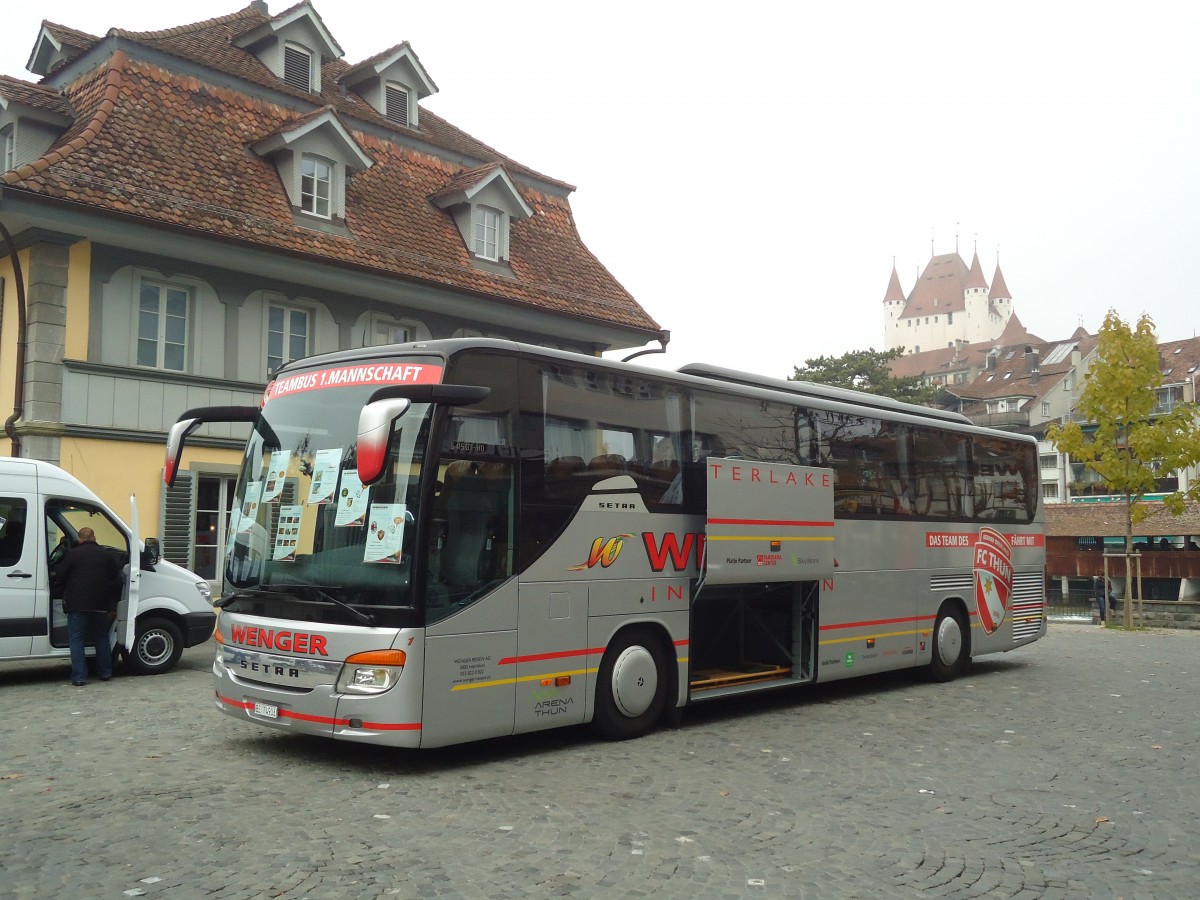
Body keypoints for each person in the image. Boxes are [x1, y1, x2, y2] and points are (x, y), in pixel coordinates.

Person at [56, 527, 122, 686]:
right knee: (101, 637)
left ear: (80, 540)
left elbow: (60, 576)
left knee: (76, 639)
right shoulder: (107, 555)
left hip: (77, 603)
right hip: (100, 603)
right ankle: (105, 672)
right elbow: (116, 578)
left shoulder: (72, 554)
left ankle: (79, 677)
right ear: (94, 537)